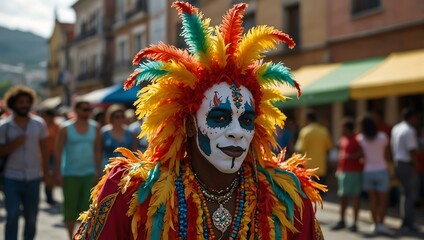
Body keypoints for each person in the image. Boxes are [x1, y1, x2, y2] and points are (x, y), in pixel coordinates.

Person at [73, 1, 325, 239]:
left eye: (247, 119)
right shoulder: (130, 192)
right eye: (219, 117)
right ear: (191, 125)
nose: (237, 131)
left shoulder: (288, 197)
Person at [0, 85, 51, 240]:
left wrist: (46, 174)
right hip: (11, 177)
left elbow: (44, 150)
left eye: (27, 102)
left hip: (33, 177)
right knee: (13, 215)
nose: (24, 105)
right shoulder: (5, 126)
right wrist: (14, 144)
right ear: (13, 103)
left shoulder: (39, 124)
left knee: (31, 216)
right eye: (20, 102)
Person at [55, 99, 102, 239]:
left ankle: (84, 236)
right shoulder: (65, 128)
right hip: (70, 173)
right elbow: (58, 151)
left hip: (89, 173)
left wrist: (97, 171)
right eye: (84, 109)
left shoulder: (96, 127)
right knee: (70, 209)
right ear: (76, 110)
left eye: (89, 109)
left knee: (88, 209)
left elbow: (98, 150)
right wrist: (57, 173)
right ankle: (71, 236)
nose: (88, 112)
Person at [357, 114, 392, 235]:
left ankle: (375, 224)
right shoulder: (383, 137)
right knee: (383, 201)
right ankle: (381, 224)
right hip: (382, 170)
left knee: (372, 200)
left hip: (368, 171)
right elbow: (387, 155)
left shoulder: (361, 138)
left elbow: (362, 156)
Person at [331, 118, 363, 232]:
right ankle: (342, 220)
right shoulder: (343, 139)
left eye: (343, 127)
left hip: (354, 172)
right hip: (343, 171)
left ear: (347, 128)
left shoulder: (357, 139)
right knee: (342, 197)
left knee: (355, 197)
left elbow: (361, 153)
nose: (341, 129)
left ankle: (354, 223)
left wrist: (350, 157)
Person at [391, 108, 419, 232]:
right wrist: (416, 166)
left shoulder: (396, 128)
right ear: (411, 117)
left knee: (404, 194)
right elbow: (412, 150)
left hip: (398, 163)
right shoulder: (409, 130)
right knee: (411, 194)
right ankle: (409, 223)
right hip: (407, 164)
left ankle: (405, 221)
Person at [295, 109, 333, 185]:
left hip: (308, 168)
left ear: (307, 119)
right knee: (321, 191)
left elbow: (299, 149)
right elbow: (328, 148)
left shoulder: (305, 131)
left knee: (310, 192)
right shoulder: (324, 131)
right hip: (321, 167)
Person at [100, 104, 137, 170]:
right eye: (117, 117)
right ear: (111, 118)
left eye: (122, 116)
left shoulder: (130, 132)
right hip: (108, 168)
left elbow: (134, 151)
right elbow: (99, 152)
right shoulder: (104, 132)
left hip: (126, 168)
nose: (120, 119)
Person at [39, 108, 60, 206]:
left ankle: (50, 196)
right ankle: (48, 196)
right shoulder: (42, 126)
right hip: (43, 154)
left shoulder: (57, 126)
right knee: (46, 174)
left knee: (51, 175)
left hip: (53, 154)